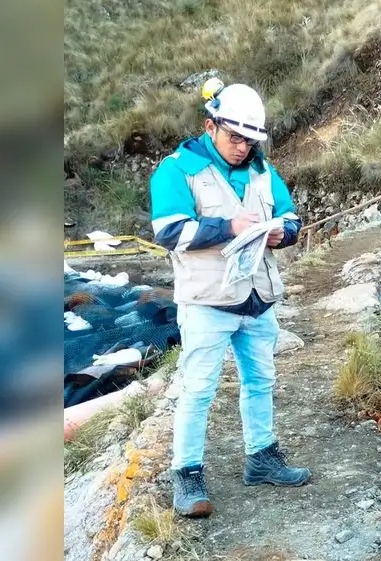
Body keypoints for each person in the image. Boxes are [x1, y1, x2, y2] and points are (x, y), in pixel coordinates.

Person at [149, 81, 310, 518]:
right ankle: (187, 475)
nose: (242, 148)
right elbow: (169, 231)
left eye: (249, 140)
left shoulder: (262, 170)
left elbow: (291, 217)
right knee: (198, 390)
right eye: (234, 137)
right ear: (211, 126)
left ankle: (262, 458)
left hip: (258, 299)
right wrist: (229, 227)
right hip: (207, 302)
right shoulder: (177, 169)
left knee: (261, 380)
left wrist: (282, 233)